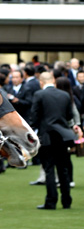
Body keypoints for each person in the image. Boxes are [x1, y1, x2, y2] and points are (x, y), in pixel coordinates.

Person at [30, 72, 79, 210]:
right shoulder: (64, 95)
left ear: (41, 82)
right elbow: (69, 115)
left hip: (47, 137)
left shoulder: (39, 95)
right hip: (63, 136)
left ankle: (51, 202)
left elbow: (34, 117)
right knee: (63, 170)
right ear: (54, 81)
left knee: (49, 170)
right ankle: (66, 201)